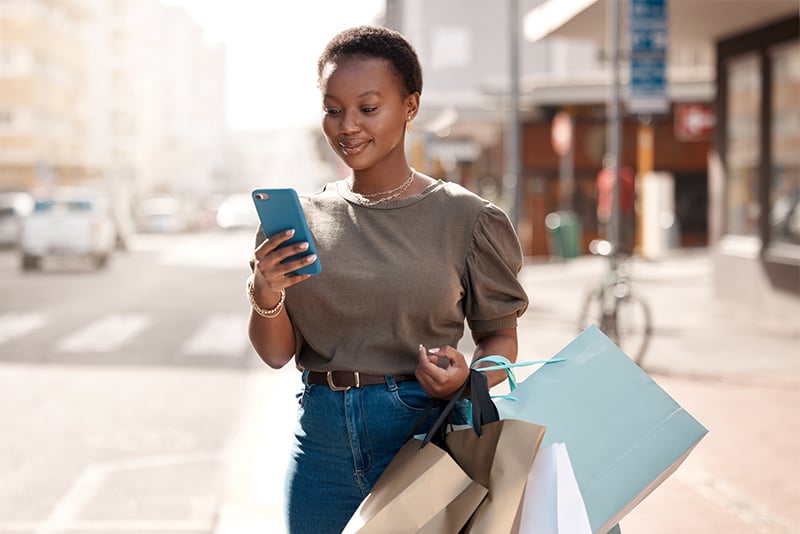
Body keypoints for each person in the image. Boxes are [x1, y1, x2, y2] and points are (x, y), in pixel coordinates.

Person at [247, 25, 528, 534]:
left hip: (423, 439)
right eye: (334, 109)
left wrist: (468, 377)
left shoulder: (466, 217)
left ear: (410, 106)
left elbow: (500, 337)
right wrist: (265, 295)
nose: (347, 125)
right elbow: (275, 354)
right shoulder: (300, 220)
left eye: (368, 108)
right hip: (321, 453)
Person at [596, 153, 636, 254]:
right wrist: (601, 208)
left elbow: (631, 192)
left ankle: (624, 250)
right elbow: (600, 193)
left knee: (623, 232)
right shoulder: (603, 175)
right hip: (606, 210)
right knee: (608, 231)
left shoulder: (626, 174)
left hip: (622, 209)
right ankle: (609, 251)